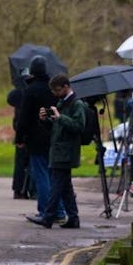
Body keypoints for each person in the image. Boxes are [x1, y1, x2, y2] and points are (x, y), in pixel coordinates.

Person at [27, 74, 85, 229]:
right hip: (58, 150)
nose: (55, 94)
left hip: (66, 152)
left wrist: (59, 118)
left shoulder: (77, 104)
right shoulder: (62, 102)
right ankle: (73, 217)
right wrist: (45, 120)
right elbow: (56, 128)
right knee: (65, 186)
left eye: (57, 90)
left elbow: (79, 126)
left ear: (66, 87)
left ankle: (48, 217)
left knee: (56, 185)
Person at [15, 55, 65, 224]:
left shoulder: (30, 90)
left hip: (36, 138)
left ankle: (45, 211)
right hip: (54, 136)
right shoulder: (53, 89)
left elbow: (24, 117)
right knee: (54, 176)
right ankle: (59, 210)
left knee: (41, 175)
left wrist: (20, 138)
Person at [7, 70, 35, 199]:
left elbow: (11, 99)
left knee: (21, 162)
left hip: (20, 127)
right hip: (28, 129)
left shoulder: (19, 91)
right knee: (29, 162)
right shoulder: (32, 90)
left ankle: (19, 189)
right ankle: (26, 188)